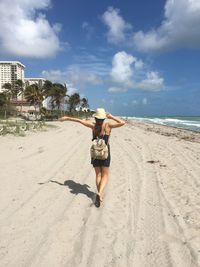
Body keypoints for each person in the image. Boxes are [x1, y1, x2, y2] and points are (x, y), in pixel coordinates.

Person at [59, 108, 125, 207]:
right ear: (103, 118)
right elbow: (122, 122)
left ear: (96, 118)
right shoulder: (108, 126)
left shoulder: (93, 126)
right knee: (105, 175)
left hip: (95, 154)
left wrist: (67, 118)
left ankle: (100, 194)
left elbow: (80, 121)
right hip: (105, 153)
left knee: (98, 175)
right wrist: (111, 116)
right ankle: (99, 194)